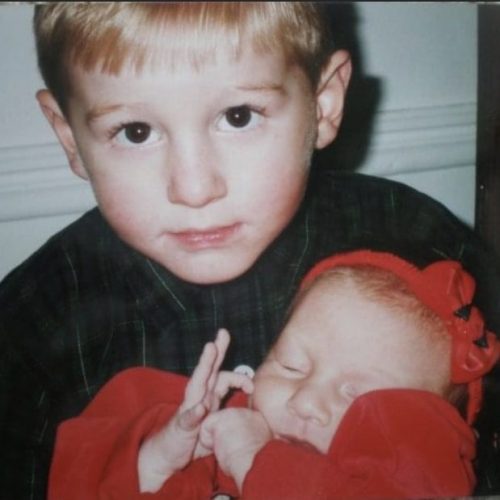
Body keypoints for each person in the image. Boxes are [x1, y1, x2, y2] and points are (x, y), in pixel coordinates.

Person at [1, 3, 500, 498]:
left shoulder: (418, 238)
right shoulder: (31, 322)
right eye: (136, 132)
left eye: (238, 116)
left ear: (323, 103)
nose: (194, 189)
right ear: (70, 138)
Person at [48, 250, 500, 499]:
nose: (304, 400)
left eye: (356, 396)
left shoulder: (410, 479)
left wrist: (254, 461)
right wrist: (163, 456)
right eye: (290, 365)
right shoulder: (231, 434)